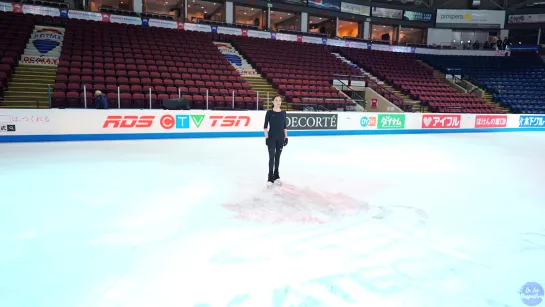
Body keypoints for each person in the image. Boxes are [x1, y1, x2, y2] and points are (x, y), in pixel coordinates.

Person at [263, 95, 288, 185]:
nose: (278, 102)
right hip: (272, 138)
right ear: (273, 102)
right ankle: (270, 178)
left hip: (281, 138)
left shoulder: (283, 113)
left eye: (279, 100)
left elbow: (284, 126)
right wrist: (266, 138)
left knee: (278, 157)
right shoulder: (269, 112)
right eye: (276, 100)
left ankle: (276, 175)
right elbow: (265, 127)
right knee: (271, 157)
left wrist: (286, 137)